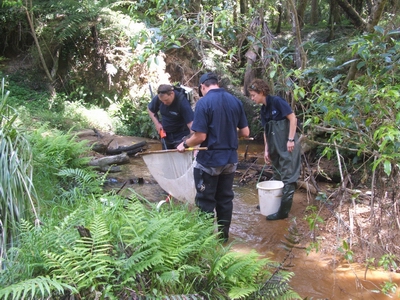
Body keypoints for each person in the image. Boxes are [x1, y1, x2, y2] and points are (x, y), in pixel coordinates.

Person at [177, 72, 250, 242]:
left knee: (205, 201)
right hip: (230, 160)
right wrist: (228, 134)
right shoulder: (235, 101)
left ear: (203, 87)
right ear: (217, 83)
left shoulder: (204, 103)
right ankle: (223, 239)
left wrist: (185, 144)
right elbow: (245, 132)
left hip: (209, 161)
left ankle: (206, 242)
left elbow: (200, 137)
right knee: (225, 200)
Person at [248, 78, 301, 220]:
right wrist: (266, 150)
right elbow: (266, 131)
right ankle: (272, 204)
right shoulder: (263, 110)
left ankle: (283, 212)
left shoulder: (277, 101)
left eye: (253, 95)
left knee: (288, 177)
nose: (252, 98)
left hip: (287, 145)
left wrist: (290, 139)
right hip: (275, 147)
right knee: (277, 175)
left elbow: (292, 118)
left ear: (261, 92)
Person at [148, 84, 194, 149]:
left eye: (166, 100)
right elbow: (150, 110)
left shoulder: (182, 102)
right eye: (162, 101)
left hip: (181, 136)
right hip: (166, 135)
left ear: (172, 94)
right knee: (167, 158)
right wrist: (157, 124)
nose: (164, 103)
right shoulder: (160, 98)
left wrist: (188, 143)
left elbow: (192, 126)